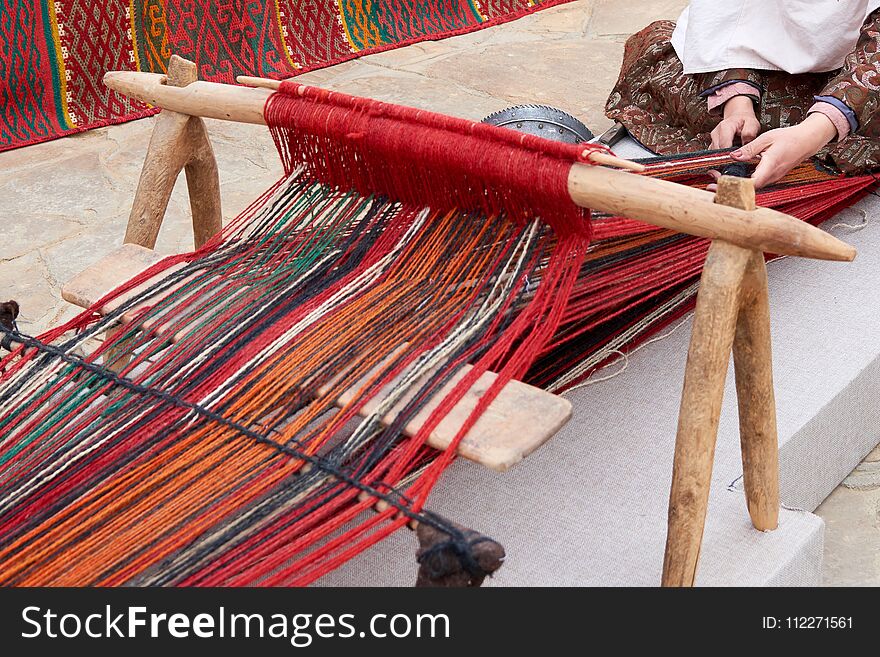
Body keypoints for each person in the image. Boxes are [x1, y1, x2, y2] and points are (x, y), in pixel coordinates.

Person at [605, 0, 880, 188]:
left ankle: (797, 143)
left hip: (857, 69)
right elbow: (727, 14)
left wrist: (813, 132)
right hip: (766, 66)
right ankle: (770, 140)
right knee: (655, 49)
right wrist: (737, 105)